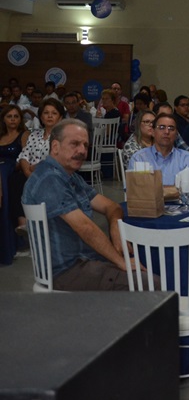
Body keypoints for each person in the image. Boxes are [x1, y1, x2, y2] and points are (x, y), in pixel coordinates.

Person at [22, 119, 143, 290]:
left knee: (145, 264)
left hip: (84, 261)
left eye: (85, 145)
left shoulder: (70, 177)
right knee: (151, 284)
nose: (82, 151)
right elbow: (85, 227)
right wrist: (120, 262)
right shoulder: (49, 179)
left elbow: (111, 206)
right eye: (75, 144)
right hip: (66, 271)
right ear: (55, 147)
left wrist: (115, 228)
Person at [129, 112, 189, 186]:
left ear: (176, 134)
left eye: (171, 128)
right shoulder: (139, 158)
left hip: (180, 198)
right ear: (153, 132)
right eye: (161, 127)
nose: (166, 132)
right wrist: (175, 190)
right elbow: (135, 189)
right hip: (148, 198)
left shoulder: (186, 158)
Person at [1, 104, 30, 237]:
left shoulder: (24, 134)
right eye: (9, 116)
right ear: (3, 119)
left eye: (16, 116)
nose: (12, 119)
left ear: (20, 120)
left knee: (13, 180)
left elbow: (26, 156)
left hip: (16, 172)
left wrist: (10, 166)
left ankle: (21, 221)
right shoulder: (0, 136)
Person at [18, 99, 66, 179]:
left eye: (54, 113)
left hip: (53, 178)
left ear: (60, 118)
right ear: (41, 117)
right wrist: (29, 174)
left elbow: (57, 162)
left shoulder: (64, 137)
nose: (50, 116)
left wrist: (33, 168)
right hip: (30, 178)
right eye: (46, 113)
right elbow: (24, 156)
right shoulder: (33, 135)